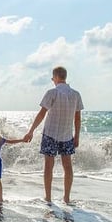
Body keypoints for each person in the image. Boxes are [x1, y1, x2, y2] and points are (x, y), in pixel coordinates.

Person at [23, 66, 84, 204]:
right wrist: (77, 136)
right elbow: (78, 119)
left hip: (50, 134)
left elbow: (42, 114)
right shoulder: (76, 94)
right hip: (67, 135)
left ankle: (48, 198)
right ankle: (66, 198)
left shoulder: (52, 93)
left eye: (53, 78)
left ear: (56, 77)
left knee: (48, 166)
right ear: (65, 77)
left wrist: (31, 131)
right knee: (67, 167)